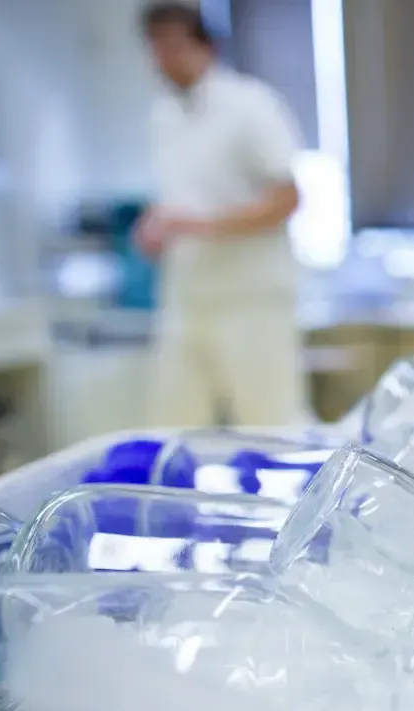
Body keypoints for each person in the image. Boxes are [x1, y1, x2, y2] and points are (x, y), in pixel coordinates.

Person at [135, 1, 307, 428]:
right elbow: (186, 197)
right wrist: (157, 225)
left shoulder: (250, 105)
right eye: (156, 49)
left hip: (250, 301)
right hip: (187, 299)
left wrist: (196, 226)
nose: (164, 60)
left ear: (205, 47)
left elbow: (287, 199)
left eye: (174, 47)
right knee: (175, 428)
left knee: (269, 425)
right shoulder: (164, 116)